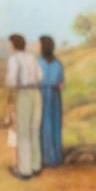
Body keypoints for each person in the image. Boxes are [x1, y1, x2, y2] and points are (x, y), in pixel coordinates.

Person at [5, 33, 44, 180]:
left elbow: (11, 81)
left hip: (24, 93)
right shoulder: (32, 57)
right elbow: (40, 77)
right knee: (35, 129)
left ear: (13, 45)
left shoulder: (14, 59)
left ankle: (25, 170)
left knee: (23, 132)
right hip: (36, 93)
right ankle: (36, 166)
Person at [37, 35, 65, 167]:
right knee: (55, 124)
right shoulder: (58, 63)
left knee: (43, 125)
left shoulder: (38, 62)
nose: (38, 46)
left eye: (39, 44)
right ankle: (55, 157)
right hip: (55, 96)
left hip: (42, 94)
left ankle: (45, 157)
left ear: (43, 47)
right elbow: (62, 84)